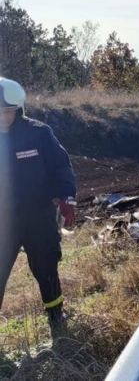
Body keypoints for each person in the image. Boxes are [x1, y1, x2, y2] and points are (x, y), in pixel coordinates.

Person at [0, 77, 76, 336]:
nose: (2, 118)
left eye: (6, 112)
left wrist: (67, 198)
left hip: (38, 215)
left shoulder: (39, 133)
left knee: (46, 268)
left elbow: (61, 166)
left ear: (19, 109)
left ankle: (56, 319)